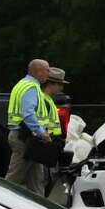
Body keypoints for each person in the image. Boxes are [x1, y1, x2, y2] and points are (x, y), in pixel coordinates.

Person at [5, 59, 51, 195]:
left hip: (25, 137)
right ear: (38, 71)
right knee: (13, 178)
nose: (49, 73)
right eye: (47, 70)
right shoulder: (31, 87)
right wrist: (41, 132)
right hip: (25, 138)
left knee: (37, 180)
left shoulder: (22, 84)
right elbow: (28, 113)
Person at [38, 68, 70, 197]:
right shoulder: (45, 101)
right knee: (43, 179)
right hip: (45, 145)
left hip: (49, 145)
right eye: (60, 84)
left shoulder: (48, 100)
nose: (61, 88)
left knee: (40, 180)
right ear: (51, 84)